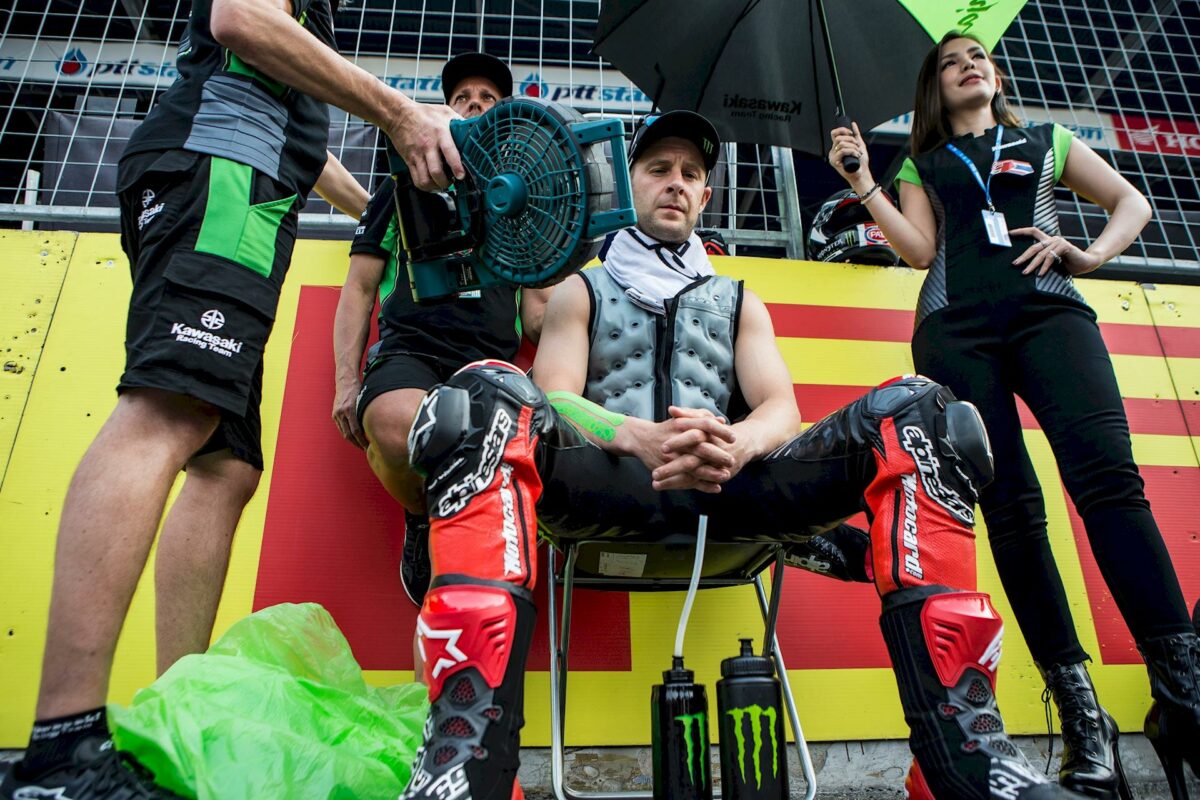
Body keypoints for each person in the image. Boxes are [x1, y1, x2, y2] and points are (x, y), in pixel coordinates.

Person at [396, 110, 1087, 800]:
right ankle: (468, 773)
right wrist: (637, 436)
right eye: (659, 170)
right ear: (628, 185)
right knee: (485, 397)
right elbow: (553, 402)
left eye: (691, 175)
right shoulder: (583, 286)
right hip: (610, 487)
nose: (675, 184)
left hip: (728, 492)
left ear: (705, 197)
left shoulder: (738, 298)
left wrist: (738, 443)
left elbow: (781, 410)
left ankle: (962, 768)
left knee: (923, 413)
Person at [0, 0, 466, 797]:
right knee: (167, 412)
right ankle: (61, 747)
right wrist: (399, 113)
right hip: (217, 169)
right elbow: (239, 19)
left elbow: (296, 118)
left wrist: (381, 217)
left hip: (247, 190)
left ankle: (179, 712)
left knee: (225, 466)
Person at [828, 30, 1200, 800]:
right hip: (954, 330)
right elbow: (921, 251)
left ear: (995, 77)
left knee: (1110, 486)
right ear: (935, 86)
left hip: (1052, 315)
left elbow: (1133, 200)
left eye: (979, 56)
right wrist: (864, 179)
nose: (970, 64)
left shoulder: (1046, 138)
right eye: (952, 60)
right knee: (1013, 513)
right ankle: (1083, 720)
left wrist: (1090, 254)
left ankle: (1186, 699)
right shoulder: (920, 163)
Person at [332, 51, 552, 607]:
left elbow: (540, 318)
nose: (474, 107)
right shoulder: (398, 187)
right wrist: (343, 382)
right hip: (411, 349)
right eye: (462, 100)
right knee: (387, 419)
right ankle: (422, 516)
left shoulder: (524, 204)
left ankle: (469, 552)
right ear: (442, 115)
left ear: (505, 122)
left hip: (490, 366)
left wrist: (566, 261)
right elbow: (359, 286)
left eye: (488, 101)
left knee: (488, 428)